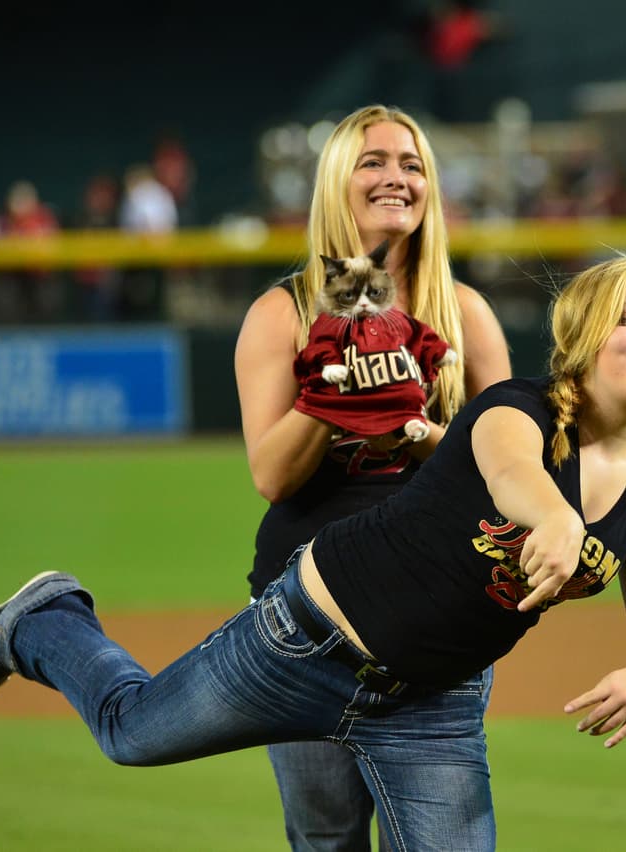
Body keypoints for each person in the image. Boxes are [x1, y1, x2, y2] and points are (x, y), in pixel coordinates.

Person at [0, 252, 626, 851]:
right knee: (130, 731)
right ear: (582, 336)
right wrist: (554, 517)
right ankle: (42, 620)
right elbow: (513, 473)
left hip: (432, 707)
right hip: (305, 641)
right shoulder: (514, 409)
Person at [234, 104, 510, 850]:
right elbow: (272, 476)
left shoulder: (466, 315)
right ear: (336, 183)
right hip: (303, 615)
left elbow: (506, 477)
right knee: (325, 840)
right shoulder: (281, 312)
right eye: (375, 162)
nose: (398, 178)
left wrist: (415, 433)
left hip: (437, 610)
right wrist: (334, 391)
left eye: (413, 165)